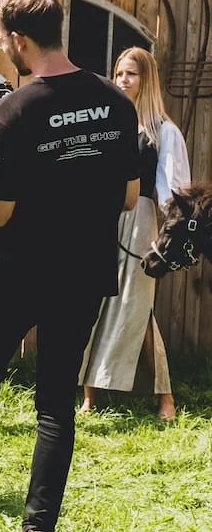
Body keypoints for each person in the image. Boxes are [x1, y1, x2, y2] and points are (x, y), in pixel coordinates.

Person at [0, 0, 140, 532]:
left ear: (19, 40)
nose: (2, 48)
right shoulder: (116, 103)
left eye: (2, 40)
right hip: (82, 272)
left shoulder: (14, 110)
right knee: (55, 405)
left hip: (17, 272)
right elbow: (129, 197)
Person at [79, 47, 189, 420]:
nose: (122, 80)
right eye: (119, 73)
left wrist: (169, 237)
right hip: (101, 219)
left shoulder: (163, 132)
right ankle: (90, 396)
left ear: (147, 79)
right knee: (95, 301)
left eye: (131, 74)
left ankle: (165, 398)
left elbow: (172, 189)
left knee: (136, 305)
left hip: (141, 222)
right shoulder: (109, 125)